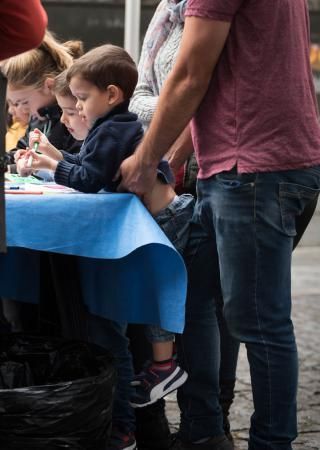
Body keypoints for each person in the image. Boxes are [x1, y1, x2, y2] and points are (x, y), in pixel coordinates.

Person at [118, 1, 320, 450]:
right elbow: (221, 77)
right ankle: (204, 431)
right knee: (190, 295)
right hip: (240, 165)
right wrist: (175, 157)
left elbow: (192, 74)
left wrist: (145, 159)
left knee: (259, 322)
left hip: (251, 168)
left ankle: (270, 442)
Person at [22, 43, 194, 450]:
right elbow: (87, 167)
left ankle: (164, 365)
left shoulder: (115, 128)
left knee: (155, 294)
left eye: (81, 100)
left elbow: (86, 177)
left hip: (165, 218)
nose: (77, 110)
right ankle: (155, 372)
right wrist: (54, 156)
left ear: (112, 95)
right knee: (143, 299)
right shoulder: (108, 128)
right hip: (153, 218)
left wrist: (52, 164)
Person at [129, 1, 239, 447]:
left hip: (209, 166)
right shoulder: (165, 12)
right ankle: (195, 423)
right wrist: (175, 101)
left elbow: (206, 86)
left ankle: (211, 422)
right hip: (168, 167)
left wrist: (177, 101)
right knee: (183, 299)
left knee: (214, 304)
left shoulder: (217, 9)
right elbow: (139, 94)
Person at [1, 30, 83, 176]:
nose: (17, 110)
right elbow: (23, 148)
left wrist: (26, 167)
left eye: (23, 102)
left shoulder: (75, 115)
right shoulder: (38, 118)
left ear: (49, 86)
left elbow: (79, 163)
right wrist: (18, 156)